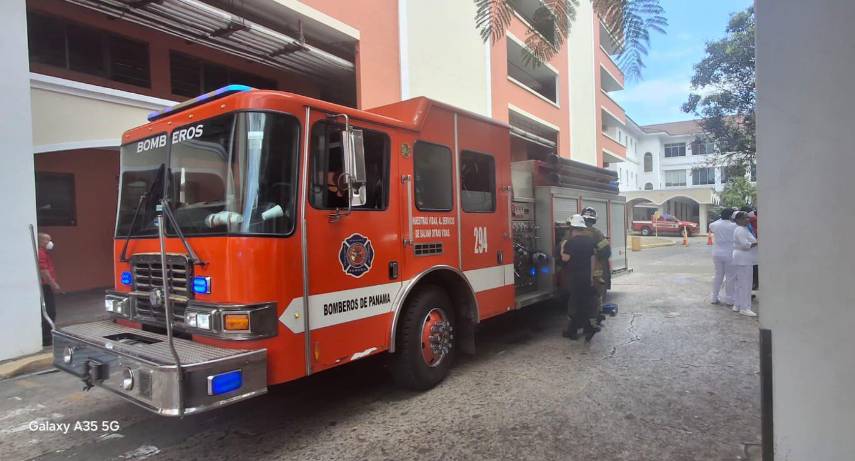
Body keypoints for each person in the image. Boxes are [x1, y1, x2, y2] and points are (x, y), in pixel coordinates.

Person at [559, 214, 599, 341]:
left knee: (575, 303)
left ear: (573, 229)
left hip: (575, 277)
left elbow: (565, 258)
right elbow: (593, 259)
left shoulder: (570, 242)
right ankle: (588, 327)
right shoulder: (590, 241)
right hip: (587, 277)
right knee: (584, 302)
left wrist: (562, 248)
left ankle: (573, 331)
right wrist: (591, 276)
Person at [580, 207, 611, 321]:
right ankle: (595, 316)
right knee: (597, 294)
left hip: (578, 272)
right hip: (596, 272)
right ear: (594, 220)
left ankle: (580, 318)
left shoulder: (573, 232)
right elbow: (606, 251)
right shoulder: (597, 233)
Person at [731, 211, 758, 317]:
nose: (748, 219)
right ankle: (745, 307)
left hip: (743, 259)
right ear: (738, 220)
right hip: (743, 259)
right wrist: (758, 242)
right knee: (746, 284)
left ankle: (738, 305)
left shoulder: (743, 229)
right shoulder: (740, 230)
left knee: (741, 283)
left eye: (748, 217)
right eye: (745, 218)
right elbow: (745, 245)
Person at [709, 208, 737, 305]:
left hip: (717, 252)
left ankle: (714, 297)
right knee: (730, 276)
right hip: (729, 253)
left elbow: (714, 224)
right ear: (731, 216)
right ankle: (729, 299)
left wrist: (723, 217)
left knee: (718, 275)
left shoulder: (714, 225)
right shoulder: (734, 226)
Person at [37, 233, 61, 346]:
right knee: (49, 311)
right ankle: (46, 338)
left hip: (46, 286)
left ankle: (47, 336)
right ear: (41, 241)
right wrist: (53, 284)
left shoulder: (44, 253)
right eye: (47, 240)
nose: (50, 243)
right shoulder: (41, 253)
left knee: (49, 311)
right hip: (45, 286)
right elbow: (44, 271)